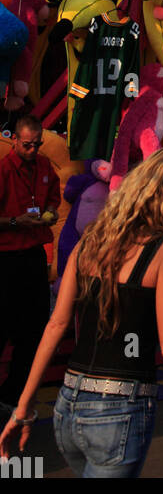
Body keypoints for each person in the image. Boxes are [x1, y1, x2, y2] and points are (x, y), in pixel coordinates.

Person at [0, 146, 163, 478]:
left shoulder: (92, 239)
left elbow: (56, 325)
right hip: (118, 408)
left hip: (68, 404)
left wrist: (24, 407)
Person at [0, 114, 61, 414]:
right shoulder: (2, 168)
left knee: (34, 328)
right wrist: (15, 221)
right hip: (6, 256)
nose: (32, 150)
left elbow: (54, 197)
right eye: (27, 145)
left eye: (36, 145)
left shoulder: (45, 166)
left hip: (34, 252)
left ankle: (12, 396)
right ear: (14, 140)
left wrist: (49, 210)